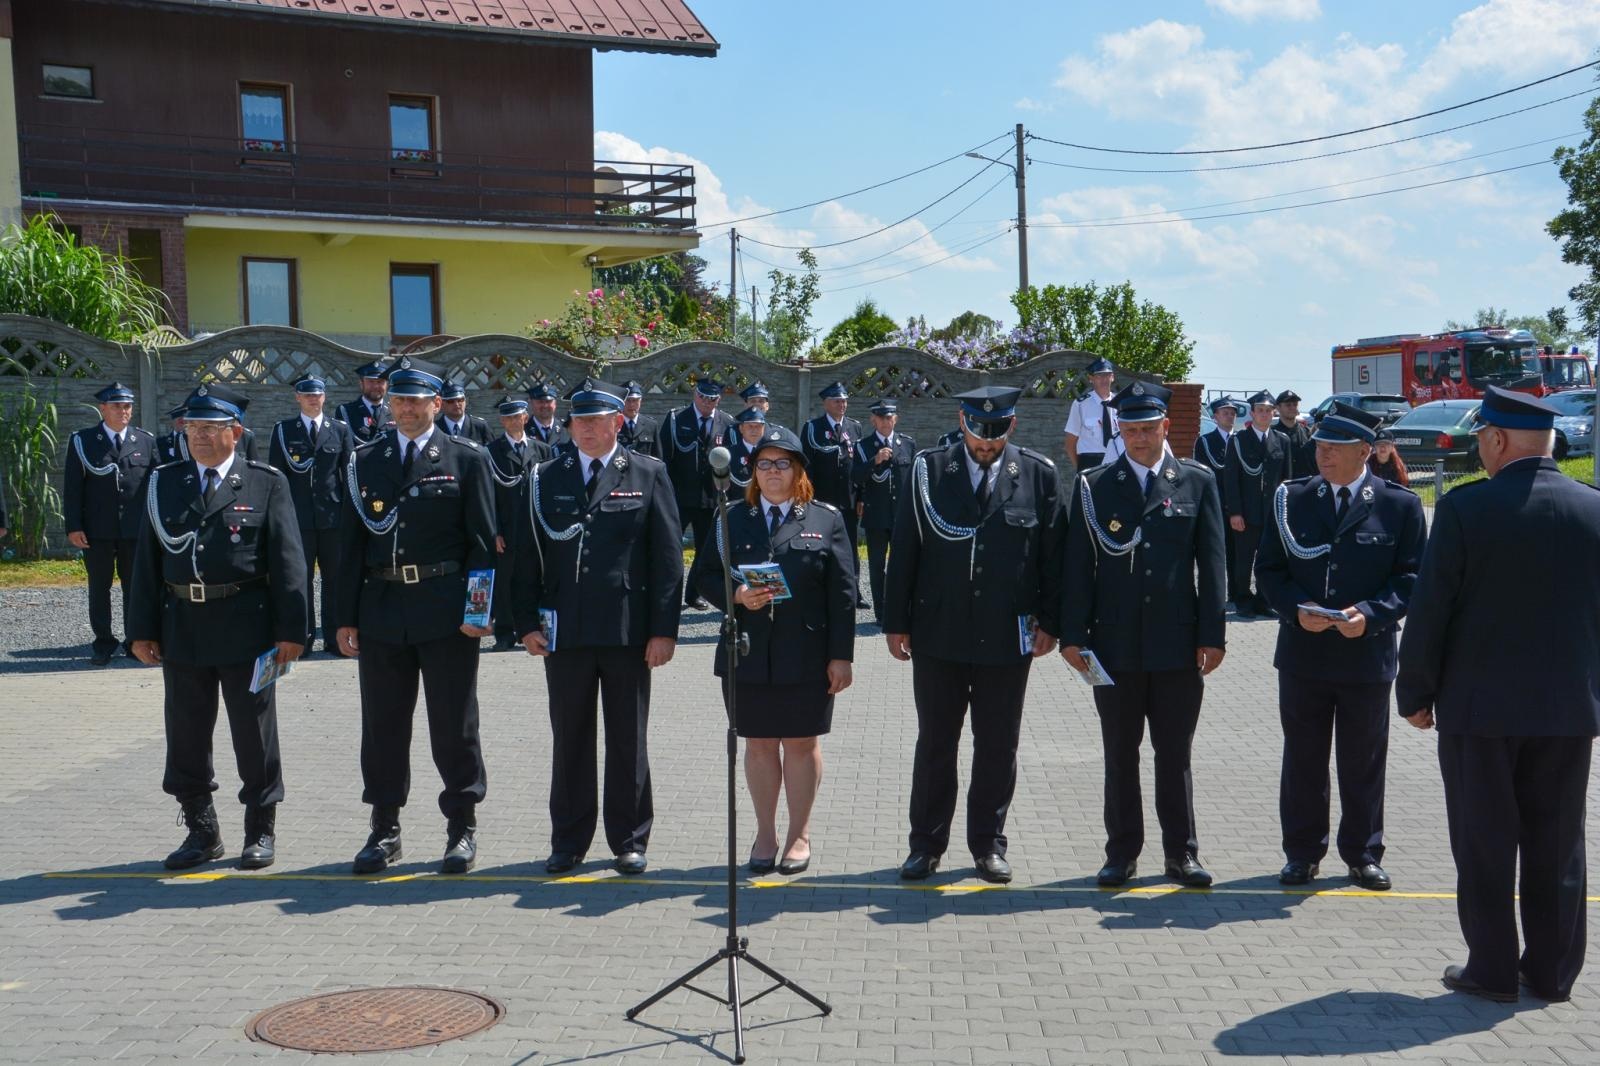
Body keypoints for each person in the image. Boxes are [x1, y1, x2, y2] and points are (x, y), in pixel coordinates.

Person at [1396, 386, 1600, 1005]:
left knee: (1485, 844)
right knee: (1557, 843)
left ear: (1498, 439)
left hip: (1480, 711)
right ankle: (1552, 973)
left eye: (1483, 437)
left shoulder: (1467, 509)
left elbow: (1431, 611)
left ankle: (1491, 970)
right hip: (1568, 710)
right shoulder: (1592, 507)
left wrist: (1415, 692)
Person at [883, 386, 1063, 884]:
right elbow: (905, 547)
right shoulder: (930, 470)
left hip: (1007, 634)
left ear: (1012, 425)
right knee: (936, 742)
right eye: (978, 432)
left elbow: (1053, 557)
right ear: (962, 422)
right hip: (938, 631)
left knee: (998, 745)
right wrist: (895, 621)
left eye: (996, 433)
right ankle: (925, 845)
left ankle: (988, 845)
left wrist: (1052, 623)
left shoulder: (1038, 474)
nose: (986, 443)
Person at [127, 386, 307, 870]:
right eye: (192, 429)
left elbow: (289, 562)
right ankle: (201, 831)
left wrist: (292, 631)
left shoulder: (265, 482)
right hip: (182, 626)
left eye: (210, 428)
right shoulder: (165, 482)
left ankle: (260, 829)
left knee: (254, 734)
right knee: (185, 733)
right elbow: (146, 562)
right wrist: (141, 629)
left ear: (236, 432)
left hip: (247, 627)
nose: (200, 437)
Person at [511, 379, 683, 876]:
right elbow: (525, 556)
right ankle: (568, 841)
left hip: (628, 631)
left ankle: (629, 839)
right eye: (578, 421)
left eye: (596, 420)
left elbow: (667, 559)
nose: (585, 429)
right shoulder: (545, 476)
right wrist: (525, 623)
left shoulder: (648, 472)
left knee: (628, 738)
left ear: (618, 422)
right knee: (570, 738)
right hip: (564, 630)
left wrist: (664, 630)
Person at [1059, 382, 1226, 888]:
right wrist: (1073, 635)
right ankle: (1121, 854)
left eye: (1147, 429)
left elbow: (1213, 565)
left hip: (1177, 645)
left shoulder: (1196, 481)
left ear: (1164, 427)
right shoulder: (1094, 486)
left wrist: (1213, 634)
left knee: (1174, 755)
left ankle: (1182, 854)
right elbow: (1077, 568)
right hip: (1114, 646)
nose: (1139, 438)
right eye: (1130, 430)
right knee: (1120, 754)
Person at [1254, 402, 1426, 891]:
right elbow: (1269, 570)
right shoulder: (1293, 498)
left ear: (1365, 452)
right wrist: (1296, 609)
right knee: (1303, 759)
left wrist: (1371, 614)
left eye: (1335, 448)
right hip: (1304, 654)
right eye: (1320, 447)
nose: (1323, 455)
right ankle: (1302, 853)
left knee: (1363, 760)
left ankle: (1363, 853)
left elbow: (1413, 578)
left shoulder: (1398, 505)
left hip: (1366, 654)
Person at [335, 358, 496, 875]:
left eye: (415, 400)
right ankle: (384, 829)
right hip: (382, 608)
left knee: (453, 723)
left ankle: (461, 826)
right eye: (398, 399)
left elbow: (483, 544)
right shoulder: (364, 460)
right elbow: (347, 546)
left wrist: (478, 610)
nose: (405, 408)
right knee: (382, 725)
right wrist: (343, 617)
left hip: (445, 610)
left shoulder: (466, 458)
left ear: (436, 404)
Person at [698, 425, 854, 875]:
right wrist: (736, 595)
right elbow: (705, 576)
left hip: (806, 653)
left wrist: (841, 656)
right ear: (752, 471)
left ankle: (799, 835)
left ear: (798, 470)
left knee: (801, 744)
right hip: (747, 652)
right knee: (760, 744)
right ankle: (765, 833)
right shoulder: (731, 517)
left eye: (783, 463)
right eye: (764, 464)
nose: (772, 471)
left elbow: (843, 595)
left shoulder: (825, 519)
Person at [64, 382, 158, 665]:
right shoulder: (83, 441)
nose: (123, 411)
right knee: (99, 588)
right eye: (116, 406)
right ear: (103, 408)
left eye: (127, 406)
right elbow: (73, 488)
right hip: (98, 530)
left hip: (134, 529)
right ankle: (103, 643)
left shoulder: (145, 440)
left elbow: (155, 487)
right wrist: (74, 526)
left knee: (134, 588)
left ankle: (134, 641)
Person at [269, 376, 356, 654]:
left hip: (332, 518)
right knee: (299, 580)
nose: (313, 399)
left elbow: (348, 475)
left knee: (335, 580)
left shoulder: (339, 430)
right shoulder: (283, 430)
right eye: (307, 395)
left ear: (324, 397)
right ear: (298, 397)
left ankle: (334, 639)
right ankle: (302, 640)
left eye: (317, 395)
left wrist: (349, 515)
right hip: (298, 519)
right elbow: (277, 478)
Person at [485, 397, 552, 651]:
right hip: (507, 527)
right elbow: (487, 495)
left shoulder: (542, 449)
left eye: (518, 416)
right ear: (502, 421)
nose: (514, 421)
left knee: (537, 578)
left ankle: (534, 629)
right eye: (509, 417)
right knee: (505, 581)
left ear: (526, 418)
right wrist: (494, 531)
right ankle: (504, 632)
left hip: (535, 526)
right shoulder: (491, 452)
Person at [663, 378, 735, 610]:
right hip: (679, 497)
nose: (706, 402)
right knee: (670, 547)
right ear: (695, 395)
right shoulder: (676, 419)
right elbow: (665, 459)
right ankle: (667, 594)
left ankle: (693, 594)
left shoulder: (727, 422)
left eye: (712, 398)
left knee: (705, 550)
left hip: (711, 498)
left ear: (718, 400)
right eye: (702, 396)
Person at [1224, 390, 1291, 618]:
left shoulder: (1282, 441)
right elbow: (1231, 479)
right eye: (1260, 410)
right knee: (1244, 560)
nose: (1264, 414)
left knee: (1268, 559)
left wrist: (1285, 512)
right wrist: (1235, 512)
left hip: (1272, 513)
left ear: (1274, 413)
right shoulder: (1238, 441)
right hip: (1246, 512)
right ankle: (1242, 600)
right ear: (1252, 414)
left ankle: (1264, 600)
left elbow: (1287, 480)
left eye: (1268, 410)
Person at [851, 399, 916, 625]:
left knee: (902, 565)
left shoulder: (907, 444)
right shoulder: (863, 446)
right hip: (876, 516)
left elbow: (912, 480)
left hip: (901, 517)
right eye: (881, 418)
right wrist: (875, 460)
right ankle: (881, 613)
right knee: (877, 567)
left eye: (889, 417)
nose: (886, 422)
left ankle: (901, 610)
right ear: (873, 420)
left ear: (895, 419)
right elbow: (855, 477)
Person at [801, 382, 864, 605]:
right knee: (819, 545)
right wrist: (808, 497)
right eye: (837, 401)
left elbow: (859, 465)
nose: (842, 405)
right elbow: (806, 466)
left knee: (850, 547)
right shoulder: (812, 427)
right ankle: (819, 589)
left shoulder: (854, 427)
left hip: (848, 499)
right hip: (822, 498)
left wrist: (861, 497)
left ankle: (853, 591)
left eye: (844, 401)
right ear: (825, 403)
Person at [1193, 397, 1241, 606]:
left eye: (1232, 413)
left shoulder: (1240, 440)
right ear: (1215, 416)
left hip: (1238, 505)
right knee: (1215, 551)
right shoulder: (1205, 441)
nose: (1229, 416)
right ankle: (1215, 593)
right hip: (1216, 503)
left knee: (1237, 551)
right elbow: (1203, 474)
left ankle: (1237, 592)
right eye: (1225, 413)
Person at [1062, 357, 1118, 472]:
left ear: (1112, 377)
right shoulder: (1081, 405)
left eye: (1107, 375)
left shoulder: (1120, 402)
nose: (1103, 379)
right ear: (1091, 378)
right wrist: (1081, 469)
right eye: (1099, 376)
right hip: (1090, 462)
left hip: (1116, 461)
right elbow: (1070, 443)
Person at [335, 360, 394, 444]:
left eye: (380, 381)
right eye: (371, 381)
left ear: (387, 385)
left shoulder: (395, 412)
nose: (375, 386)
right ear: (361, 383)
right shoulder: (346, 411)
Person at [725, 406, 769, 496]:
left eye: (758, 426)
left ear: (763, 428)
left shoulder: (770, 453)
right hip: (738, 503)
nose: (754, 430)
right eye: (750, 426)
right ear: (741, 428)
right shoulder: (729, 454)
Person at [1272, 390, 1315, 479]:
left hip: (1304, 483)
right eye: (1288, 405)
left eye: (1295, 404)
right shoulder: (1271, 435)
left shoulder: (1307, 433)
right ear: (1278, 408)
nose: (1292, 407)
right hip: (1281, 483)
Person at [619, 381, 661, 458]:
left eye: (635, 400)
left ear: (640, 401)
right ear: (622, 401)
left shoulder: (651, 425)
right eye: (628, 400)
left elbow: (658, 457)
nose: (631, 404)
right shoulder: (613, 424)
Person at [525, 382, 570, 450]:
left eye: (548, 401)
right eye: (540, 402)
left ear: (555, 403)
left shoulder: (567, 429)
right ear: (531, 403)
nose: (545, 406)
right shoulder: (523, 431)